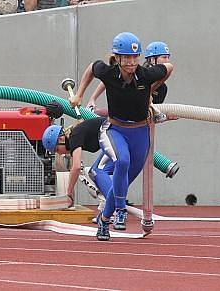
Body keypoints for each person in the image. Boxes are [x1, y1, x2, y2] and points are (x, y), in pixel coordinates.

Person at [70, 32, 173, 241]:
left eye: (135, 57)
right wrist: (80, 94)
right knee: (122, 161)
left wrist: (151, 89)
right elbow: (92, 67)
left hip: (141, 134)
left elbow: (169, 68)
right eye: (126, 57)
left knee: (122, 183)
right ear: (117, 57)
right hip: (115, 130)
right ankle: (120, 210)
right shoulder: (108, 72)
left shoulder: (145, 75)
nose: (131, 62)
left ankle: (104, 220)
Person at [87, 40, 172, 123]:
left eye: (168, 57)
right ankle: (94, 112)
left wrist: (166, 116)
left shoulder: (161, 87)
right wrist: (92, 99)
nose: (167, 60)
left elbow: (152, 116)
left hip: (139, 123)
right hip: (118, 118)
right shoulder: (139, 73)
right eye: (164, 57)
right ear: (153, 59)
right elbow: (108, 80)